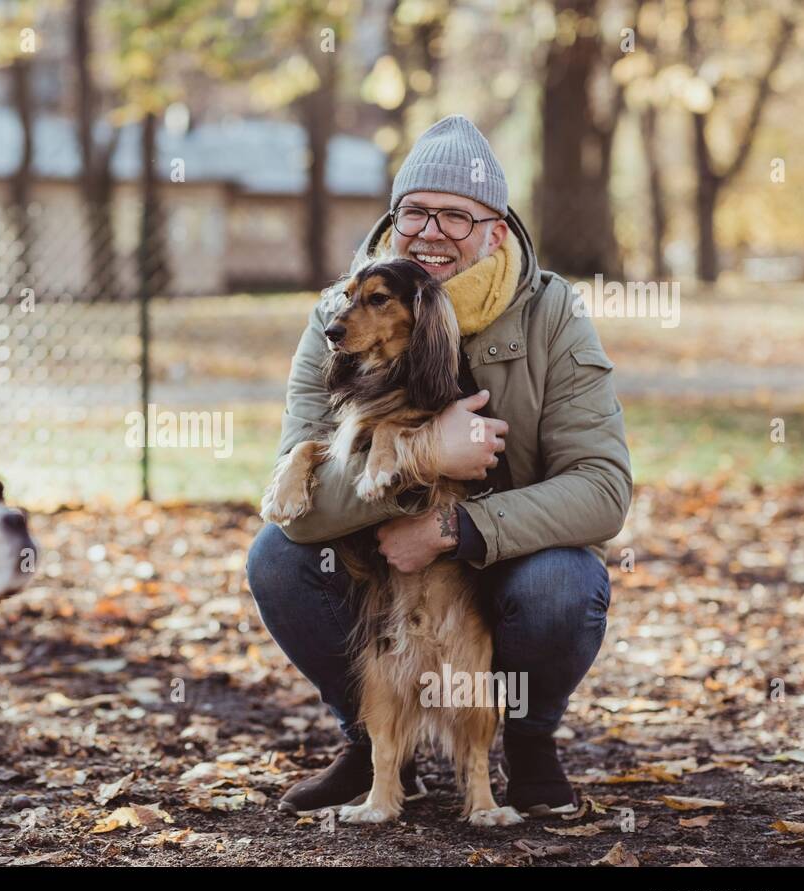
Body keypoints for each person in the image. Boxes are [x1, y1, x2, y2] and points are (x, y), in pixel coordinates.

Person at [246, 115, 632, 816]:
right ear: (394, 223)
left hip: (507, 558)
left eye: (456, 215)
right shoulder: (340, 315)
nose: (431, 230)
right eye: (415, 212)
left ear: (494, 229)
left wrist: (457, 528)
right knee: (276, 558)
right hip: (379, 564)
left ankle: (529, 741)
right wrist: (424, 458)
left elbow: (602, 491)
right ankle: (374, 746)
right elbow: (298, 503)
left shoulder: (551, 313)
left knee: (564, 584)